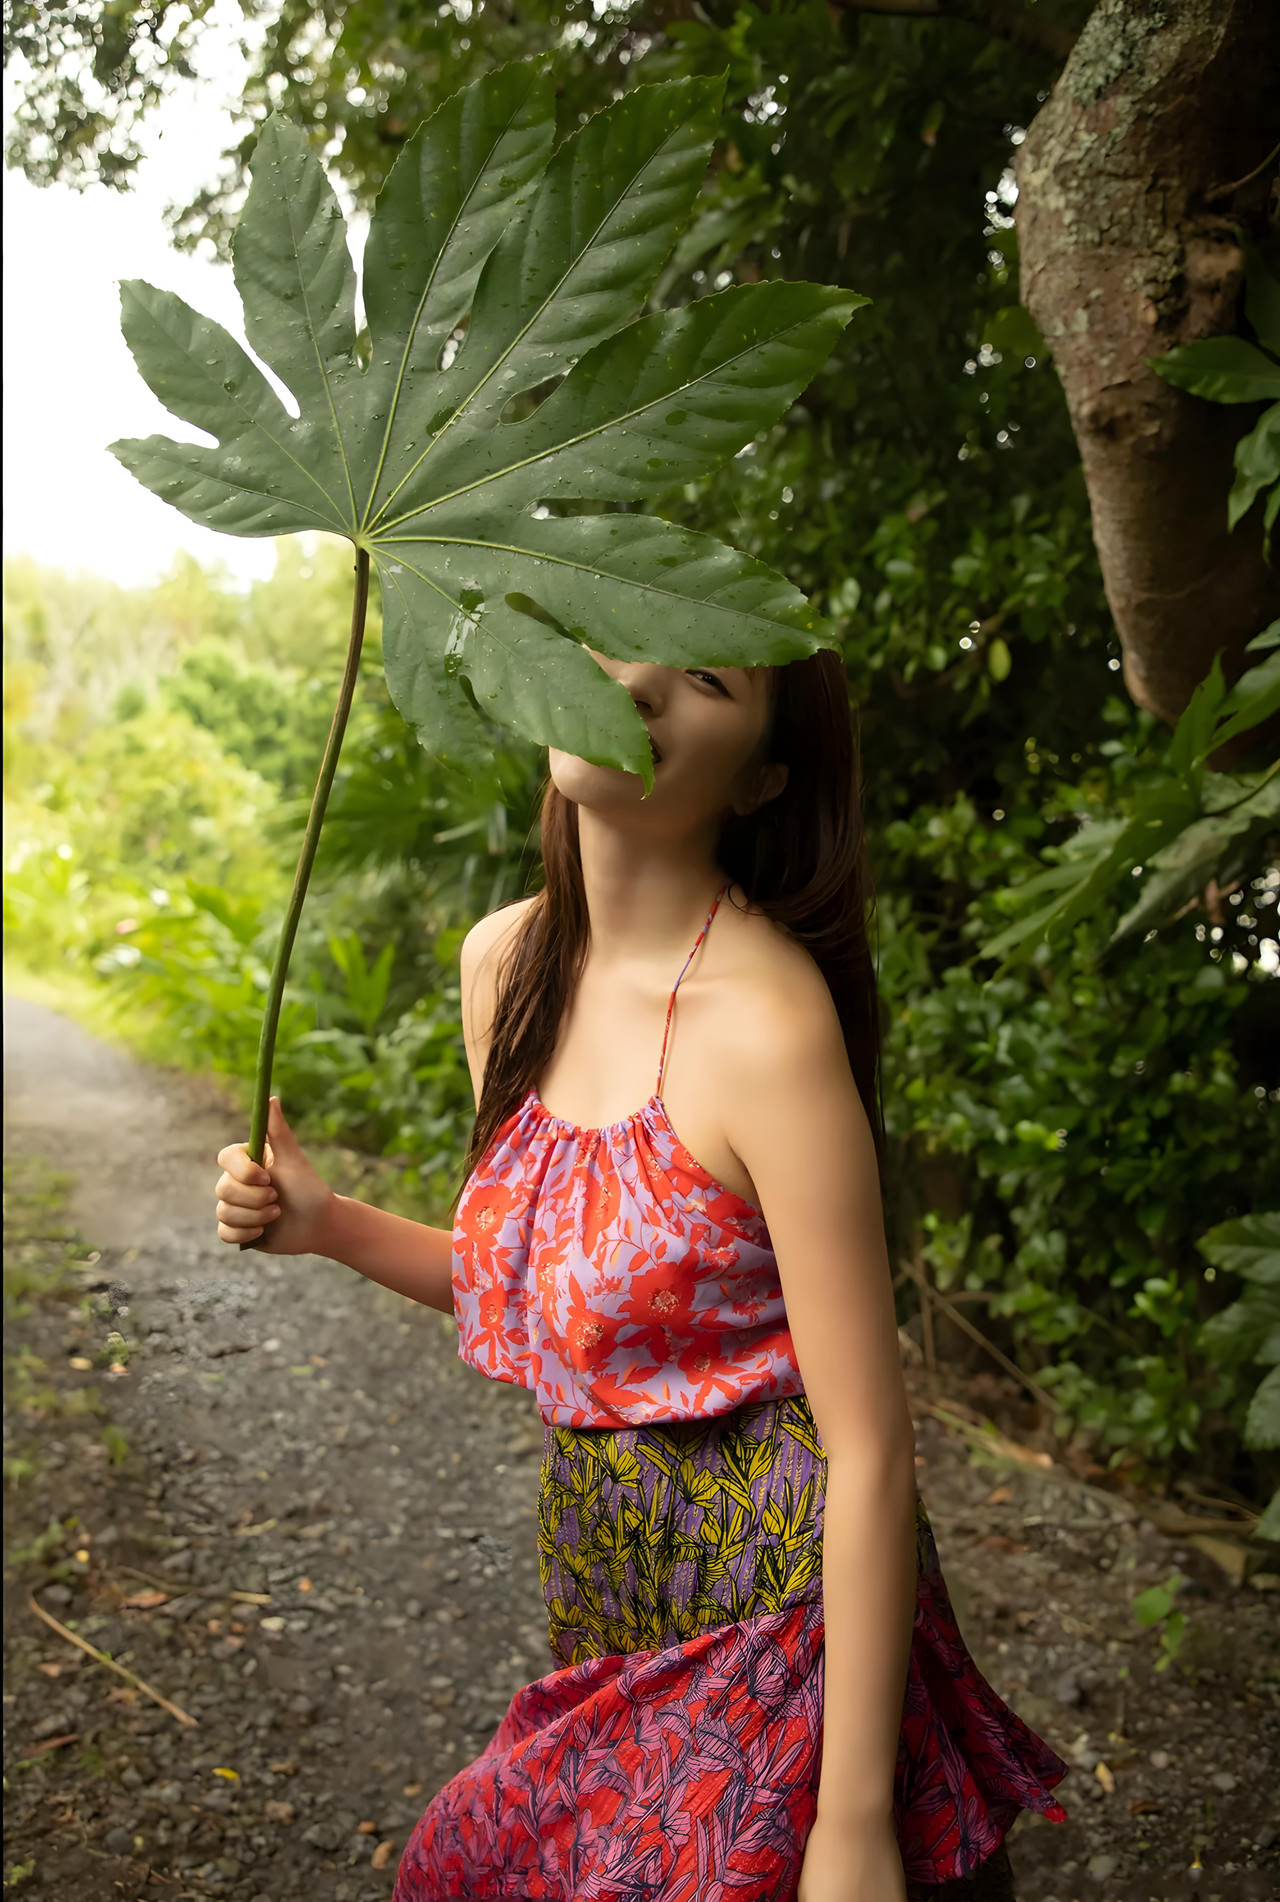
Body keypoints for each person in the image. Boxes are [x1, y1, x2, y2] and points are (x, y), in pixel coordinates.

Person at [214, 650, 1067, 1902]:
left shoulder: (765, 1023)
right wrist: (328, 1221)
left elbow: (873, 1447)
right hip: (613, 1607)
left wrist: (851, 1824)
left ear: (765, 776)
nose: (638, 685)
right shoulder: (503, 967)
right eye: (616, 643)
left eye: (705, 677)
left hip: (783, 1615)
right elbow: (572, 1299)